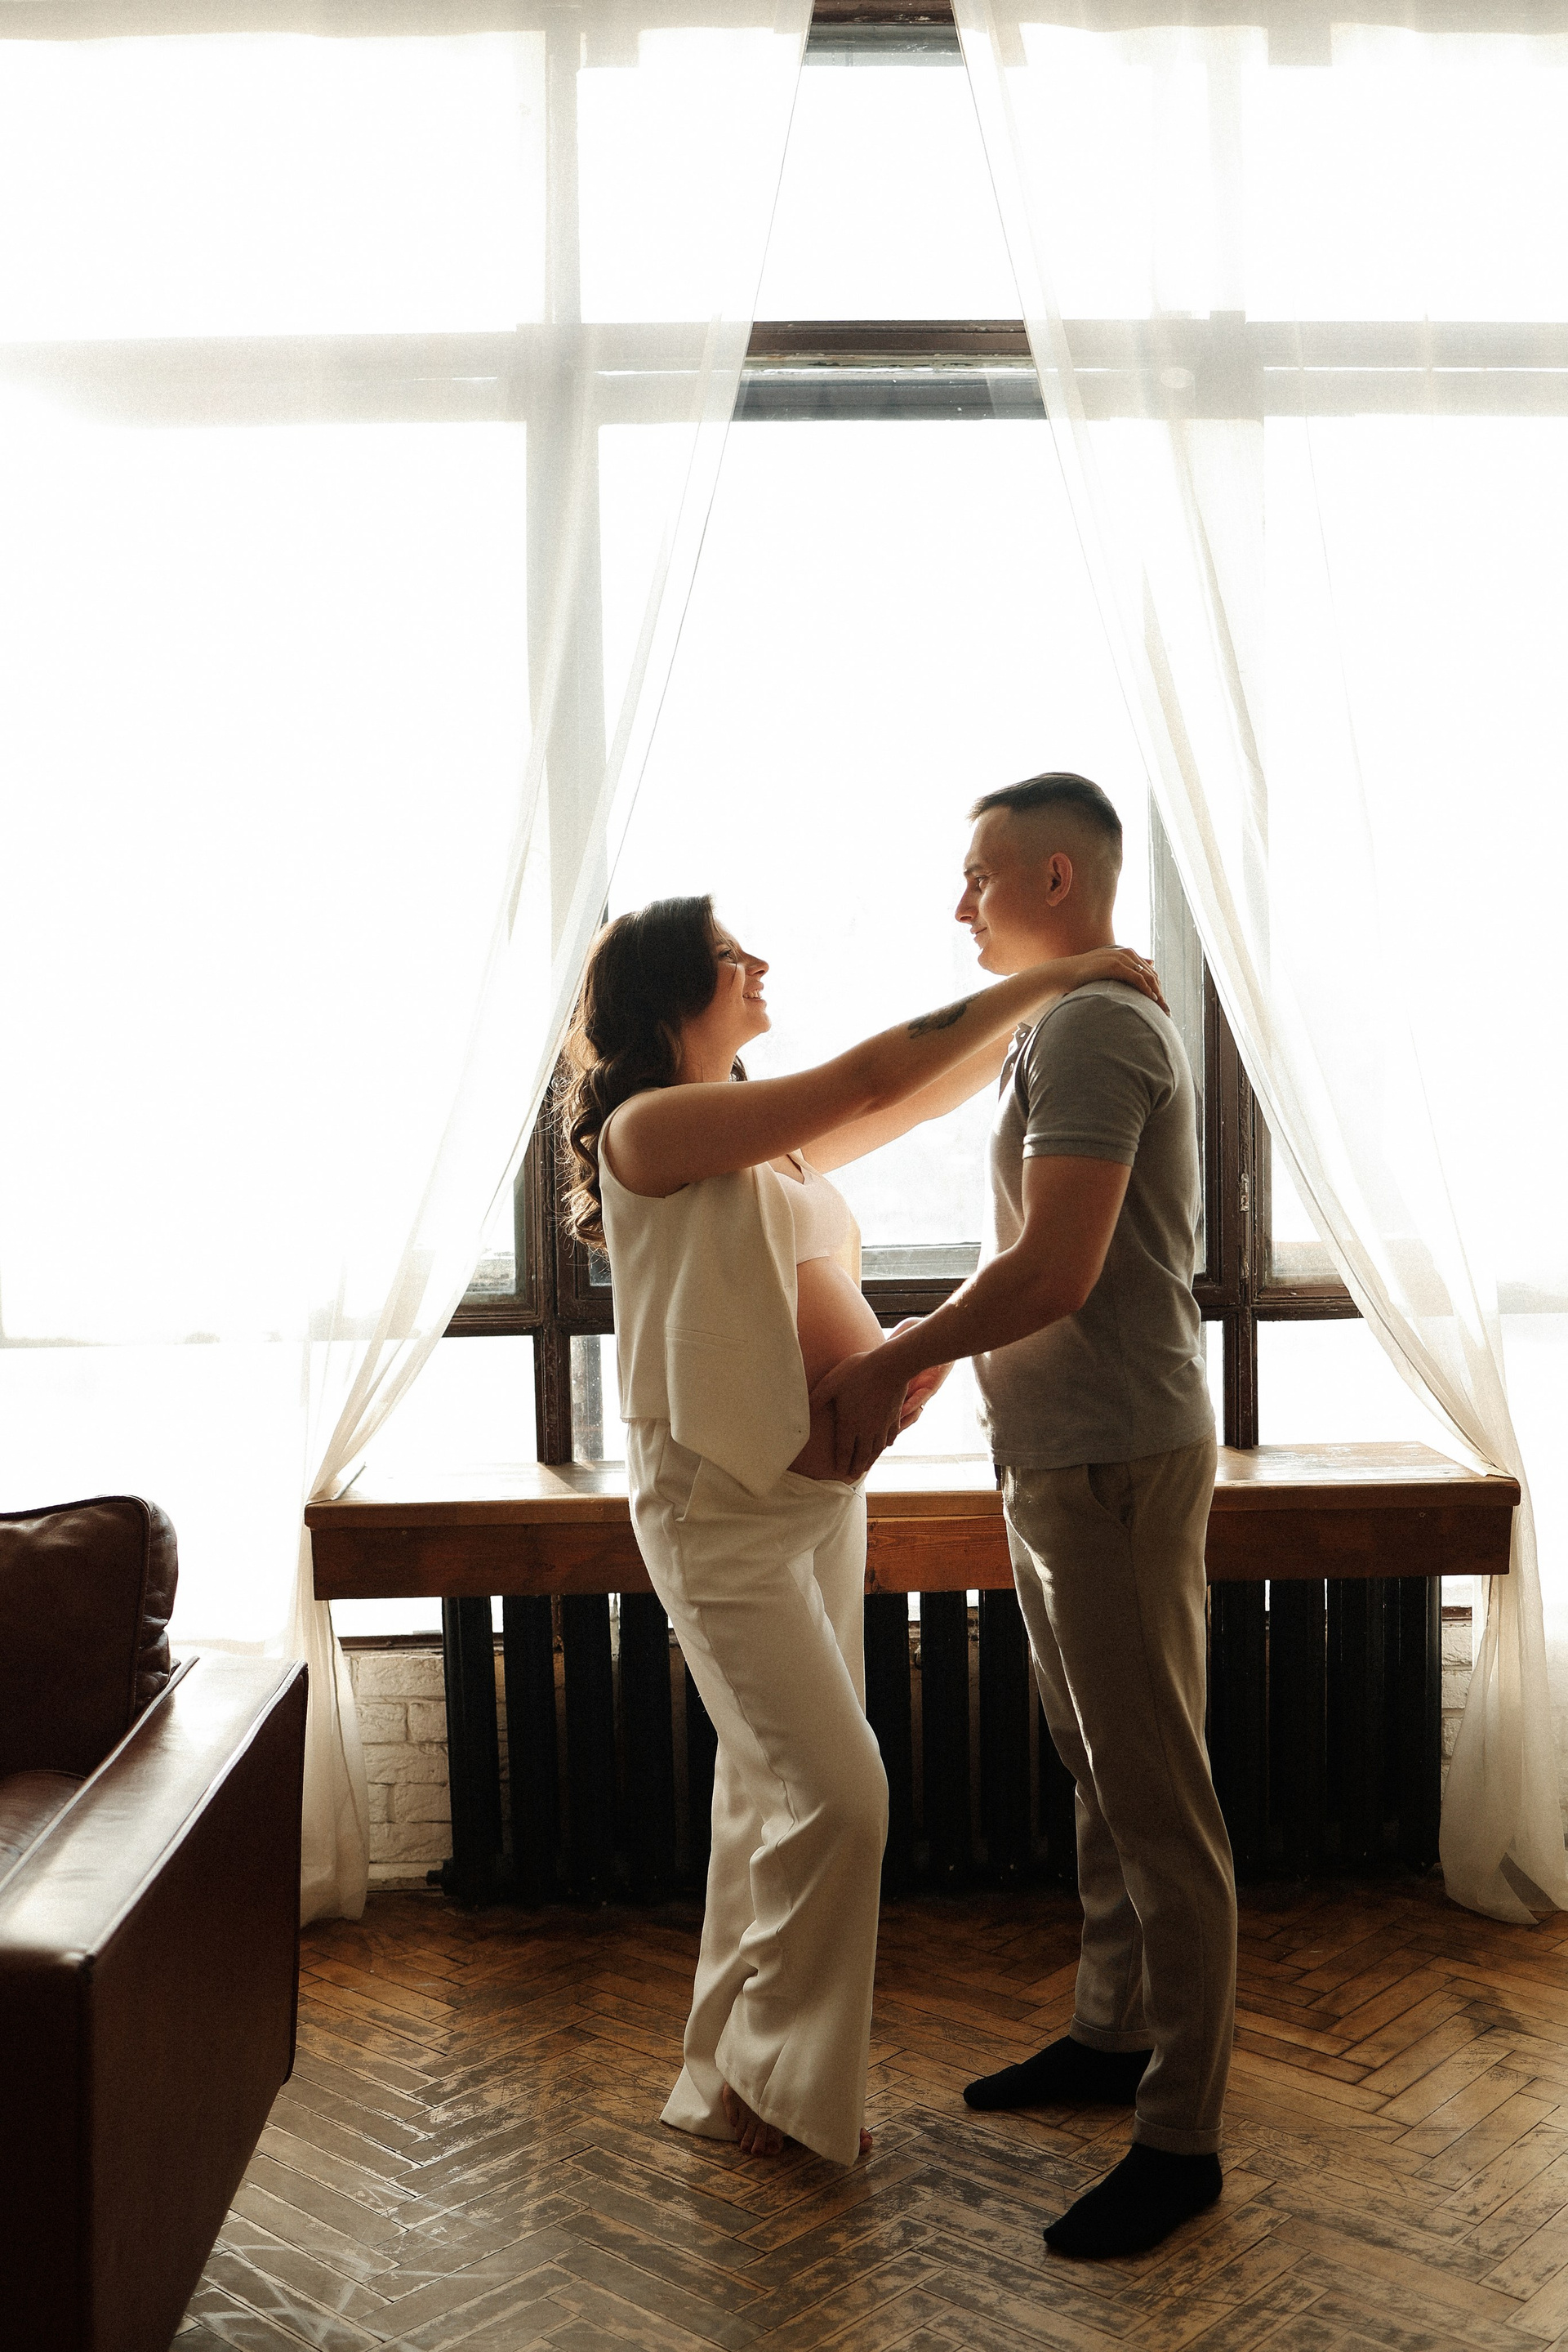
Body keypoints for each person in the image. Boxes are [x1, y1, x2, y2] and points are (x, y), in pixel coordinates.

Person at [558, 893, 1163, 2170]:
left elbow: (914, 1099)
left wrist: (1046, 1023)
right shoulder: (650, 1127)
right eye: (730, 954)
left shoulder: (767, 1147)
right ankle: (778, 2081)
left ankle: (742, 2078)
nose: (758, 962)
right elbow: (870, 1077)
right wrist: (1055, 979)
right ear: (672, 991)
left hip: (813, 1500)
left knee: (765, 1798)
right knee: (842, 1795)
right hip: (717, 1511)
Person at [816, 773, 1235, 2258]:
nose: (960, 906)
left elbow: (1058, 1271)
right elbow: (1030, 1249)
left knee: (1158, 1797)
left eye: (979, 876)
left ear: (1057, 879)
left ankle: (1181, 2139)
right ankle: (1112, 2035)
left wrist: (896, 1359)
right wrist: (946, 1360)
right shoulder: (1058, 1024)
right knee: (1097, 1767)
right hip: (1063, 1450)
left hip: (1115, 1455)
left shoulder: (1101, 1029)